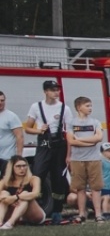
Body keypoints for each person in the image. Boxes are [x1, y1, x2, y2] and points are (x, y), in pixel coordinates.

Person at [22, 78, 68, 221]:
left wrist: (69, 154)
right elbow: (27, 128)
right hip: (44, 143)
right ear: (45, 92)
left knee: (58, 179)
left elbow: (70, 130)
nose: (56, 92)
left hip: (59, 143)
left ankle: (57, 211)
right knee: (37, 174)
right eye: (53, 90)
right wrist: (39, 130)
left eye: (57, 90)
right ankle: (30, 207)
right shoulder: (36, 107)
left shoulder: (64, 108)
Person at [66, 95, 107, 223]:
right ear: (78, 107)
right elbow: (71, 140)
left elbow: (98, 138)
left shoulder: (95, 122)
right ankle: (82, 213)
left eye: (91, 106)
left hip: (94, 158)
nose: (90, 108)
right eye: (87, 106)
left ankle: (98, 214)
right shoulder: (71, 123)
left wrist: (80, 139)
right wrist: (89, 142)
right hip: (77, 159)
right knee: (80, 188)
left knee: (96, 187)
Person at [0, 157, 46, 228]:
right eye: (18, 166)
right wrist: (9, 200)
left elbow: (35, 194)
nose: (22, 169)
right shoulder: (4, 181)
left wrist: (16, 197)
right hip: (13, 210)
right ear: (11, 168)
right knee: (3, 193)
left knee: (25, 194)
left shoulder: (34, 179)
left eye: (24, 166)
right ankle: (0, 222)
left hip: (33, 213)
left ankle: (10, 223)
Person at [0, 90, 23, 165]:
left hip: (6, 158)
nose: (0, 103)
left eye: (2, 100)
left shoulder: (11, 116)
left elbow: (19, 136)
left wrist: (19, 157)